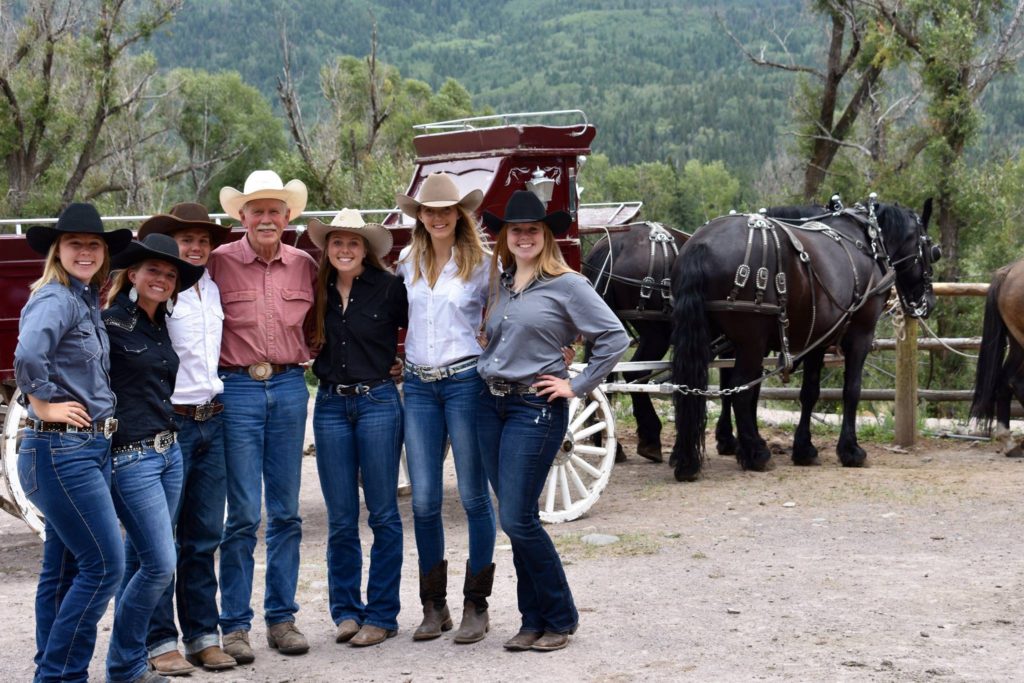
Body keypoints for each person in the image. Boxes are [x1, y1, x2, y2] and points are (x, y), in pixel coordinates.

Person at [476, 191, 629, 652]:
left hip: (535, 407)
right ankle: (531, 620)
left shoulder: (568, 284)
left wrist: (575, 385)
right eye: (515, 229)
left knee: (519, 520)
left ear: (545, 237)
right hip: (491, 404)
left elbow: (613, 337)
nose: (524, 236)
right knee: (514, 517)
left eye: (532, 230)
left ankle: (560, 617)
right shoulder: (501, 283)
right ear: (505, 237)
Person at [14, 203, 132, 683]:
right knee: (105, 566)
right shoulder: (57, 299)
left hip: (79, 450)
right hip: (62, 451)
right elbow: (27, 353)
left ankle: (53, 668)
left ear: (104, 254)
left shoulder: (82, 298)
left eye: (94, 244)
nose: (85, 251)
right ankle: (62, 675)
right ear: (58, 251)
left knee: (63, 570)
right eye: (75, 243)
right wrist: (41, 404)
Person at [207, 170, 317, 662]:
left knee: (288, 511)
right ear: (243, 217)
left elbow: (320, 327)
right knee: (244, 514)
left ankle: (282, 619)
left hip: (292, 386)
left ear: (288, 216)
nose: (267, 218)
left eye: (275, 210)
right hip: (237, 389)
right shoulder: (217, 264)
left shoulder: (305, 266)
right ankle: (234, 626)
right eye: (258, 210)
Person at [129, 204, 236, 676]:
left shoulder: (211, 289)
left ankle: (203, 636)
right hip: (169, 422)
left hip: (212, 418)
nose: (195, 248)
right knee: (158, 542)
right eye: (186, 240)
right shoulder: (159, 293)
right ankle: (157, 639)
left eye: (202, 241)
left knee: (203, 535)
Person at [394, 172, 498, 643]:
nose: (437, 217)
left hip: (464, 382)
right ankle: (433, 606)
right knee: (424, 500)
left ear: (460, 214)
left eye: (446, 209)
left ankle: (477, 604)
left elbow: (504, 316)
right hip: (418, 386)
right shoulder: (405, 261)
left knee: (475, 496)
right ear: (420, 216)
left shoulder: (483, 264)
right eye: (429, 210)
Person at [102, 233, 204, 683]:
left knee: (141, 559)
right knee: (161, 564)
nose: (161, 279)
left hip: (169, 452)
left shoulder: (159, 324)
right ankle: (125, 664)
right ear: (133, 275)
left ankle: (127, 665)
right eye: (153, 271)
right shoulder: (109, 324)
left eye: (169, 274)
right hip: (131, 457)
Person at [307, 209, 408, 647]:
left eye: (352, 242)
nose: (344, 249)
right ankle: (346, 611)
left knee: (383, 512)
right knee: (342, 517)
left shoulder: (389, 288)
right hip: (329, 403)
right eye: (336, 242)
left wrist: (406, 363)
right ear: (327, 248)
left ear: (365, 249)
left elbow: (420, 329)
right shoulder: (319, 289)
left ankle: (382, 614)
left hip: (378, 402)